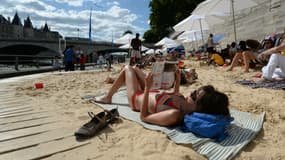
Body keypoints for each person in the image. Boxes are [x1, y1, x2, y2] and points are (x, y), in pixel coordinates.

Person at [92, 65, 230, 126]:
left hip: (136, 97)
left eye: (194, 95)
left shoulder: (174, 114)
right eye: (195, 90)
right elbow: (175, 95)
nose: (191, 91)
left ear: (200, 107)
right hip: (150, 91)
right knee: (135, 69)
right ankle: (116, 80)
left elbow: (144, 116)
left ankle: (108, 97)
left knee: (127, 68)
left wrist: (146, 87)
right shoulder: (184, 102)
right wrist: (176, 79)